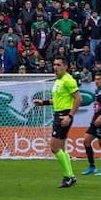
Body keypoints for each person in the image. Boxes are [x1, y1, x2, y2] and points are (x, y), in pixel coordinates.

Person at [33, 57, 82, 188]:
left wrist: (69, 116)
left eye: (59, 65)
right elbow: (58, 100)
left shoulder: (68, 80)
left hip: (63, 116)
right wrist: (43, 103)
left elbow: (78, 99)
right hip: (59, 115)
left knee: (54, 147)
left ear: (65, 67)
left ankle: (69, 176)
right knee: (61, 148)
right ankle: (70, 176)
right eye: (54, 65)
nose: (55, 67)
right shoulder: (58, 81)